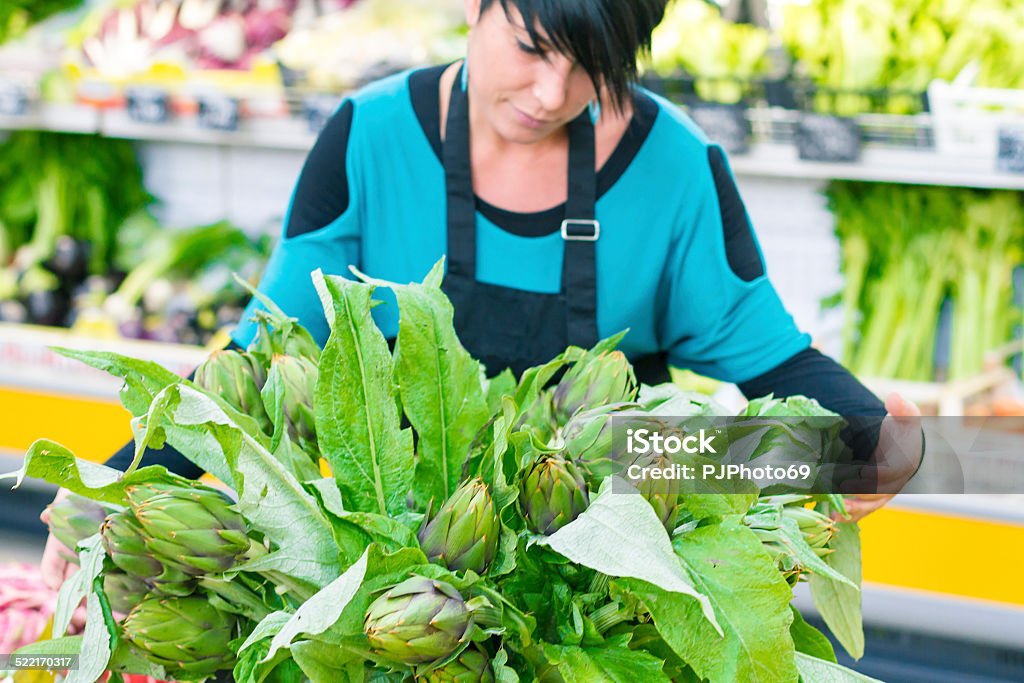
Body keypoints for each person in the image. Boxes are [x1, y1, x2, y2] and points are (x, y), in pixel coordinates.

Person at [41, 0, 922, 588]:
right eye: (535, 50)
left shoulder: (678, 170)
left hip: (607, 595)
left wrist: (870, 440)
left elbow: (774, 361)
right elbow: (255, 369)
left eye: (593, 68)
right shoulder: (369, 140)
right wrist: (110, 493)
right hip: (380, 593)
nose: (553, 95)